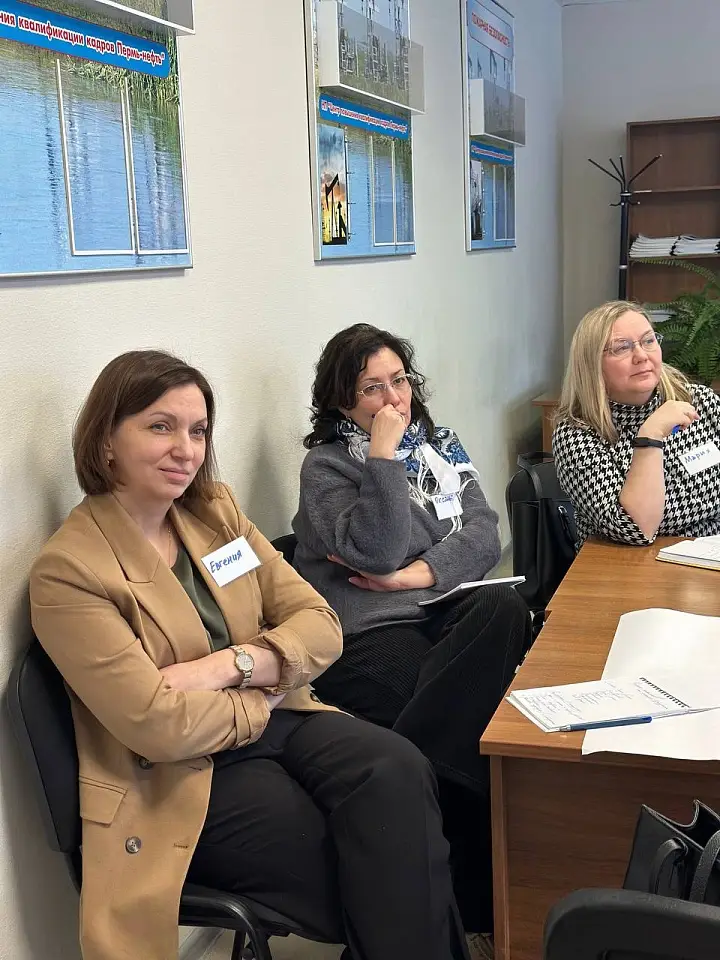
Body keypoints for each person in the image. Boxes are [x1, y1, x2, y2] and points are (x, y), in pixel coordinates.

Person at [29, 350, 471, 960]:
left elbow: (320, 623)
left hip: (277, 716)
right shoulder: (71, 571)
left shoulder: (215, 514)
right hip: (175, 774)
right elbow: (158, 725)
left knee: (398, 768)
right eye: (160, 427)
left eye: (198, 431)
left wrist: (232, 666)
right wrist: (265, 694)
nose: (185, 450)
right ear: (106, 440)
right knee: (367, 857)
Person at [292, 323, 531, 948]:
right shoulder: (326, 467)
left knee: (505, 604)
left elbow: (484, 532)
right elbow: (376, 549)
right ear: (342, 401)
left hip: (439, 607)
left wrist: (415, 575)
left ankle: (419, 829)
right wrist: (383, 459)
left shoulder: (441, 444)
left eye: (398, 381)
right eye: (372, 388)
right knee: (477, 738)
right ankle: (478, 916)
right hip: (369, 633)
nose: (393, 399)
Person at [553, 299, 720, 547]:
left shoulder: (700, 402)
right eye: (622, 348)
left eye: (648, 341)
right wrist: (650, 437)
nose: (641, 356)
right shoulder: (576, 433)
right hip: (626, 562)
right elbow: (635, 530)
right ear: (592, 364)